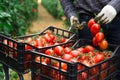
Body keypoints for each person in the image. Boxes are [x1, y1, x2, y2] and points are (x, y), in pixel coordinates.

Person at [60, 0, 120, 78]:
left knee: (116, 68)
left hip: (116, 16)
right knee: (87, 70)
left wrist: (115, 5)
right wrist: (71, 14)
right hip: (87, 20)